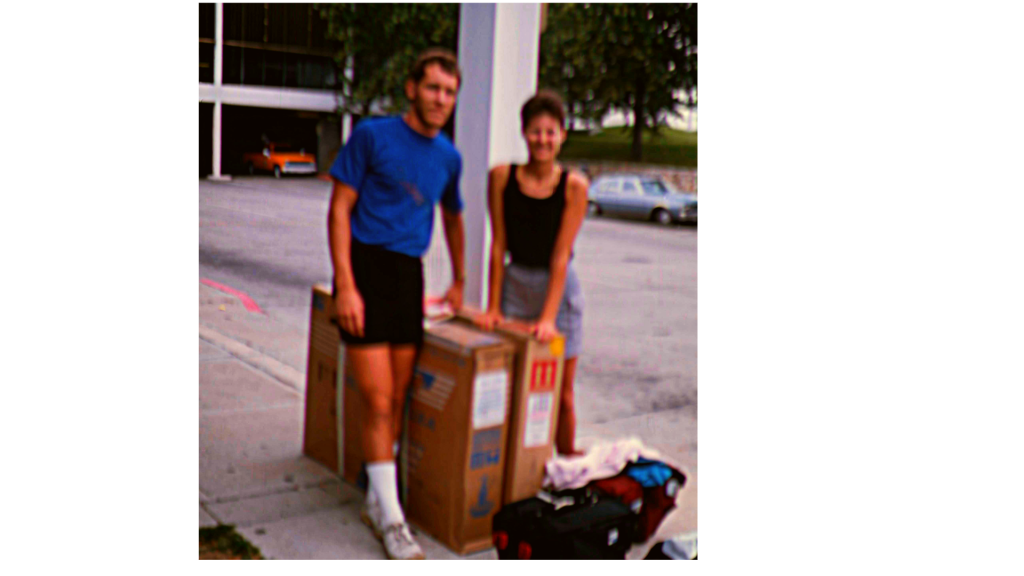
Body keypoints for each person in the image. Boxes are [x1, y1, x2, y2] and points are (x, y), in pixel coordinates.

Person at [327, 48, 465, 560]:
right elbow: (339, 210)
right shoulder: (372, 136)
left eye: (449, 92)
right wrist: (345, 285)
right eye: (432, 88)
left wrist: (459, 282)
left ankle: (375, 501)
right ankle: (394, 522)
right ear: (411, 88)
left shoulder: (449, 156)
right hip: (365, 270)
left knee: (399, 401)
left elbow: (453, 216)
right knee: (378, 401)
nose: (441, 100)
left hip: (409, 276)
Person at [475, 90, 589, 457]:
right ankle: (513, 465)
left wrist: (547, 318)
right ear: (524, 134)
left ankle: (568, 464)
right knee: (509, 386)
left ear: (562, 135)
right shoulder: (501, 176)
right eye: (536, 131)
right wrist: (493, 307)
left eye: (550, 132)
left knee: (561, 393)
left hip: (558, 291)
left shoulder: (574, 185)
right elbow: (497, 245)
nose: (543, 139)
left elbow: (560, 256)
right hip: (515, 283)